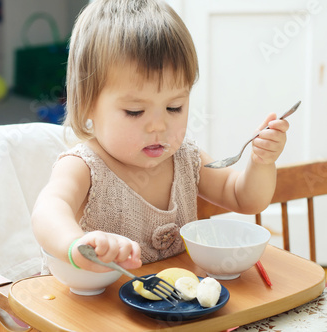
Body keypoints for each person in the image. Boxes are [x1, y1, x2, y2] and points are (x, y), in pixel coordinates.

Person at [32, 0, 290, 273]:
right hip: (95, 308)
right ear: (87, 105)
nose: (158, 126)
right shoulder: (84, 166)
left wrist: (262, 162)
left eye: (174, 107)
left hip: (171, 304)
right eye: (135, 111)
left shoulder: (185, 158)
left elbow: (245, 198)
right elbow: (48, 210)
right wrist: (76, 245)